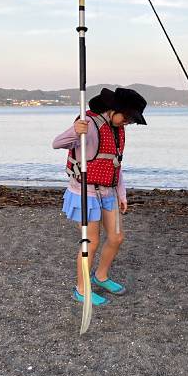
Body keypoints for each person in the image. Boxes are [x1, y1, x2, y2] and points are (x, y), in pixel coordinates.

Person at [52, 87, 147, 305]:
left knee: (116, 237)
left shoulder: (117, 129)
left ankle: (101, 276)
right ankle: (81, 289)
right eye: (128, 117)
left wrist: (122, 193)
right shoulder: (90, 125)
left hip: (109, 191)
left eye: (132, 120)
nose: (128, 123)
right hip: (85, 192)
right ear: (114, 109)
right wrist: (75, 131)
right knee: (91, 242)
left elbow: (116, 164)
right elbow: (57, 143)